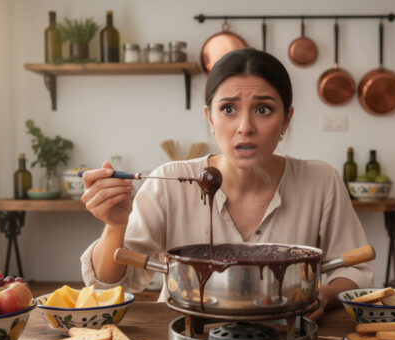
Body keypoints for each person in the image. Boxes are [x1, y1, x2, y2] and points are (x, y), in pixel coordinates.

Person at [80, 48, 373, 321]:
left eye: (263, 109)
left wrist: (325, 294)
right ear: (209, 117)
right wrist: (115, 226)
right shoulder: (167, 184)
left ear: (286, 119)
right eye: (229, 109)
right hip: (184, 332)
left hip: (288, 333)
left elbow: (355, 272)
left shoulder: (321, 181)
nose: (245, 127)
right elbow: (111, 286)